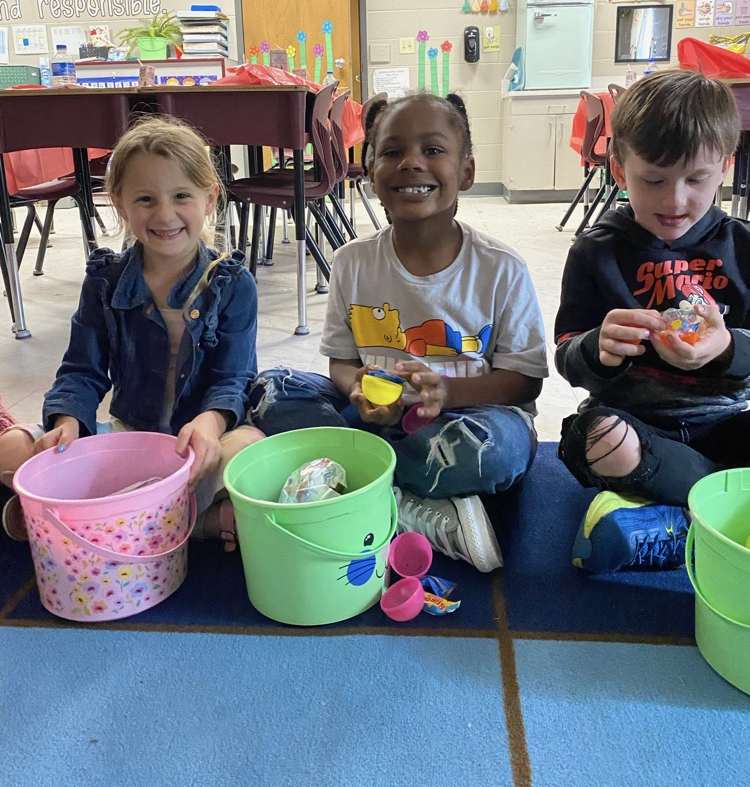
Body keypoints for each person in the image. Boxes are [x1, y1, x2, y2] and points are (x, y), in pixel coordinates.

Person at [246, 93, 548, 572]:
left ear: (466, 171)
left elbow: (525, 380)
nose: (411, 163)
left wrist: (447, 393)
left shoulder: (501, 268)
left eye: (432, 150)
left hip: (467, 420)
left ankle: (360, 486)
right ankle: (407, 503)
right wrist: (358, 388)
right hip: (376, 418)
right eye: (391, 152)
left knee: (498, 452)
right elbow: (341, 363)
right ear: (369, 171)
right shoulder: (351, 262)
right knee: (270, 392)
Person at [0, 115, 262, 546]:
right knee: (13, 445)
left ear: (210, 198)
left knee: (249, 449)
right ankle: (172, 525)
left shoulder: (233, 284)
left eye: (181, 196)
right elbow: (82, 370)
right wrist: (68, 423)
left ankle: (94, 524)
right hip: (131, 442)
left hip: (200, 449)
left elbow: (233, 378)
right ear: (118, 203)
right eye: (145, 199)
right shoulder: (105, 282)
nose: (165, 214)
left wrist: (211, 425)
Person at [555, 70, 748, 572]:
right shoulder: (597, 251)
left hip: (729, 423)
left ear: (725, 167)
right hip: (637, 426)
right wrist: (599, 348)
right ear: (619, 171)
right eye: (654, 180)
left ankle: (670, 519)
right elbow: (567, 353)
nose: (675, 200)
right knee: (596, 438)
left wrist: (726, 349)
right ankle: (718, 506)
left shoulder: (742, 247)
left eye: (697, 179)